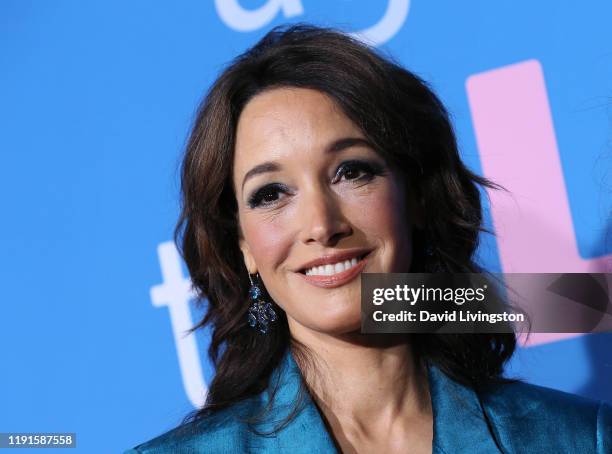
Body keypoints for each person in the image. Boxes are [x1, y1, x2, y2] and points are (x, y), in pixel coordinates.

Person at [126, 24, 611, 453]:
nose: (321, 224)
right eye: (271, 193)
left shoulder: (576, 438)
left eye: (351, 171)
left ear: (416, 196)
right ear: (244, 247)